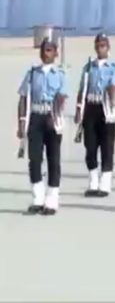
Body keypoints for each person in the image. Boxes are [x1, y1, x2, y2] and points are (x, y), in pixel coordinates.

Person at [17, 38, 69, 215]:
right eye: (44, 49)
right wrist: (21, 123)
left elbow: (62, 97)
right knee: (35, 159)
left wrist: (54, 114)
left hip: (52, 118)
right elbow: (23, 98)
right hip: (36, 118)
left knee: (53, 159)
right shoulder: (32, 73)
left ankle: (52, 199)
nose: (46, 53)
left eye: (49, 50)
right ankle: (37, 198)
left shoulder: (60, 74)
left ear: (56, 53)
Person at [75, 33, 115, 198]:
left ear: (108, 47)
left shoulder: (113, 67)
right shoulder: (88, 68)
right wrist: (79, 109)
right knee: (90, 146)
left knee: (107, 148)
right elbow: (82, 90)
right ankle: (93, 182)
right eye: (98, 44)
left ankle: (105, 184)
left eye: (103, 44)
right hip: (91, 108)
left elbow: (114, 86)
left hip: (106, 109)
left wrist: (110, 93)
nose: (101, 47)